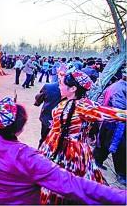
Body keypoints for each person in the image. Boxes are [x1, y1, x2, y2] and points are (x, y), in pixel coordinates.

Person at [38, 70, 127, 204]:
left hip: (71, 153)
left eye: (61, 84)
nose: (59, 86)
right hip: (53, 145)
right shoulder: (69, 99)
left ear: (73, 89)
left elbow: (113, 113)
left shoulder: (83, 106)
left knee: (68, 184)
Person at [94, 67, 126, 185]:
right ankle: (121, 174)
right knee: (119, 149)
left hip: (108, 119)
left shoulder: (117, 85)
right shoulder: (120, 89)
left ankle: (97, 160)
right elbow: (120, 111)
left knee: (104, 142)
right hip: (116, 122)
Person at [34, 82, 61, 147]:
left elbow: (39, 98)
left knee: (44, 139)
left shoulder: (49, 86)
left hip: (47, 118)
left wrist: (37, 102)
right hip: (58, 121)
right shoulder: (75, 91)